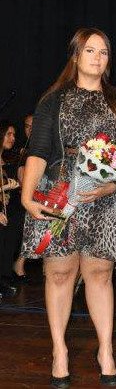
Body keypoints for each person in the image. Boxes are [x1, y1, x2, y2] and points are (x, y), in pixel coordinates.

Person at [19, 28, 116, 387]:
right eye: (90, 50)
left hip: (104, 198)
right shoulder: (52, 101)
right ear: (75, 56)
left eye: (103, 51)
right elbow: (38, 151)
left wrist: (112, 184)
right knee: (59, 275)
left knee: (100, 276)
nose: (97, 57)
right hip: (59, 192)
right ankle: (60, 351)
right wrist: (26, 197)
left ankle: (106, 351)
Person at [12, 114, 34, 283]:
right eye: (27, 126)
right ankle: (19, 263)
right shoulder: (21, 151)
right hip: (23, 198)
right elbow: (21, 177)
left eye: (34, 125)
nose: (31, 129)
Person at [0, 121, 21, 297]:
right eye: (9, 134)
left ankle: (4, 278)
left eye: (14, 135)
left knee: (11, 233)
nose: (13, 138)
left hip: (3, 209)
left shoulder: (4, 160)